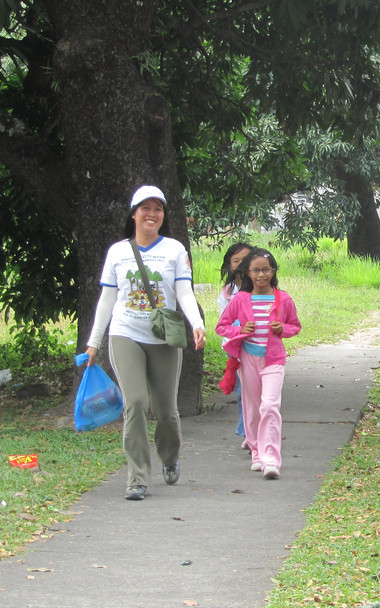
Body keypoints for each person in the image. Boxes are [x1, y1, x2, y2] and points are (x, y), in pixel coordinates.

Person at [85, 185, 207, 501]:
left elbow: (183, 292)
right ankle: (137, 478)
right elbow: (107, 299)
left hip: (164, 337)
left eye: (158, 209)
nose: (152, 214)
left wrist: (197, 324)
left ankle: (170, 456)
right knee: (136, 403)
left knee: (165, 411)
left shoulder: (175, 250)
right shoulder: (117, 252)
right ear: (134, 213)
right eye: (146, 208)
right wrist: (93, 342)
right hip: (125, 333)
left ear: (163, 215)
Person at [215, 247, 301, 479]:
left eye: (266, 270)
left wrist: (283, 329)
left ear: (273, 271)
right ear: (248, 273)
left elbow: (295, 326)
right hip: (248, 360)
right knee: (252, 409)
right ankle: (256, 452)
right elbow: (222, 327)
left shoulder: (284, 299)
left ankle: (271, 459)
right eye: (256, 270)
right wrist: (240, 330)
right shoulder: (241, 299)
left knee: (270, 406)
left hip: (274, 360)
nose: (261, 275)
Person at [217, 242, 252, 443]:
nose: (240, 265)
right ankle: (248, 433)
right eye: (235, 261)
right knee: (242, 392)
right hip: (236, 350)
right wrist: (238, 334)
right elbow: (223, 325)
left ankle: (255, 431)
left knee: (258, 392)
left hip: (259, 348)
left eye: (245, 260)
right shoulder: (227, 293)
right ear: (229, 266)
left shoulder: (262, 288)